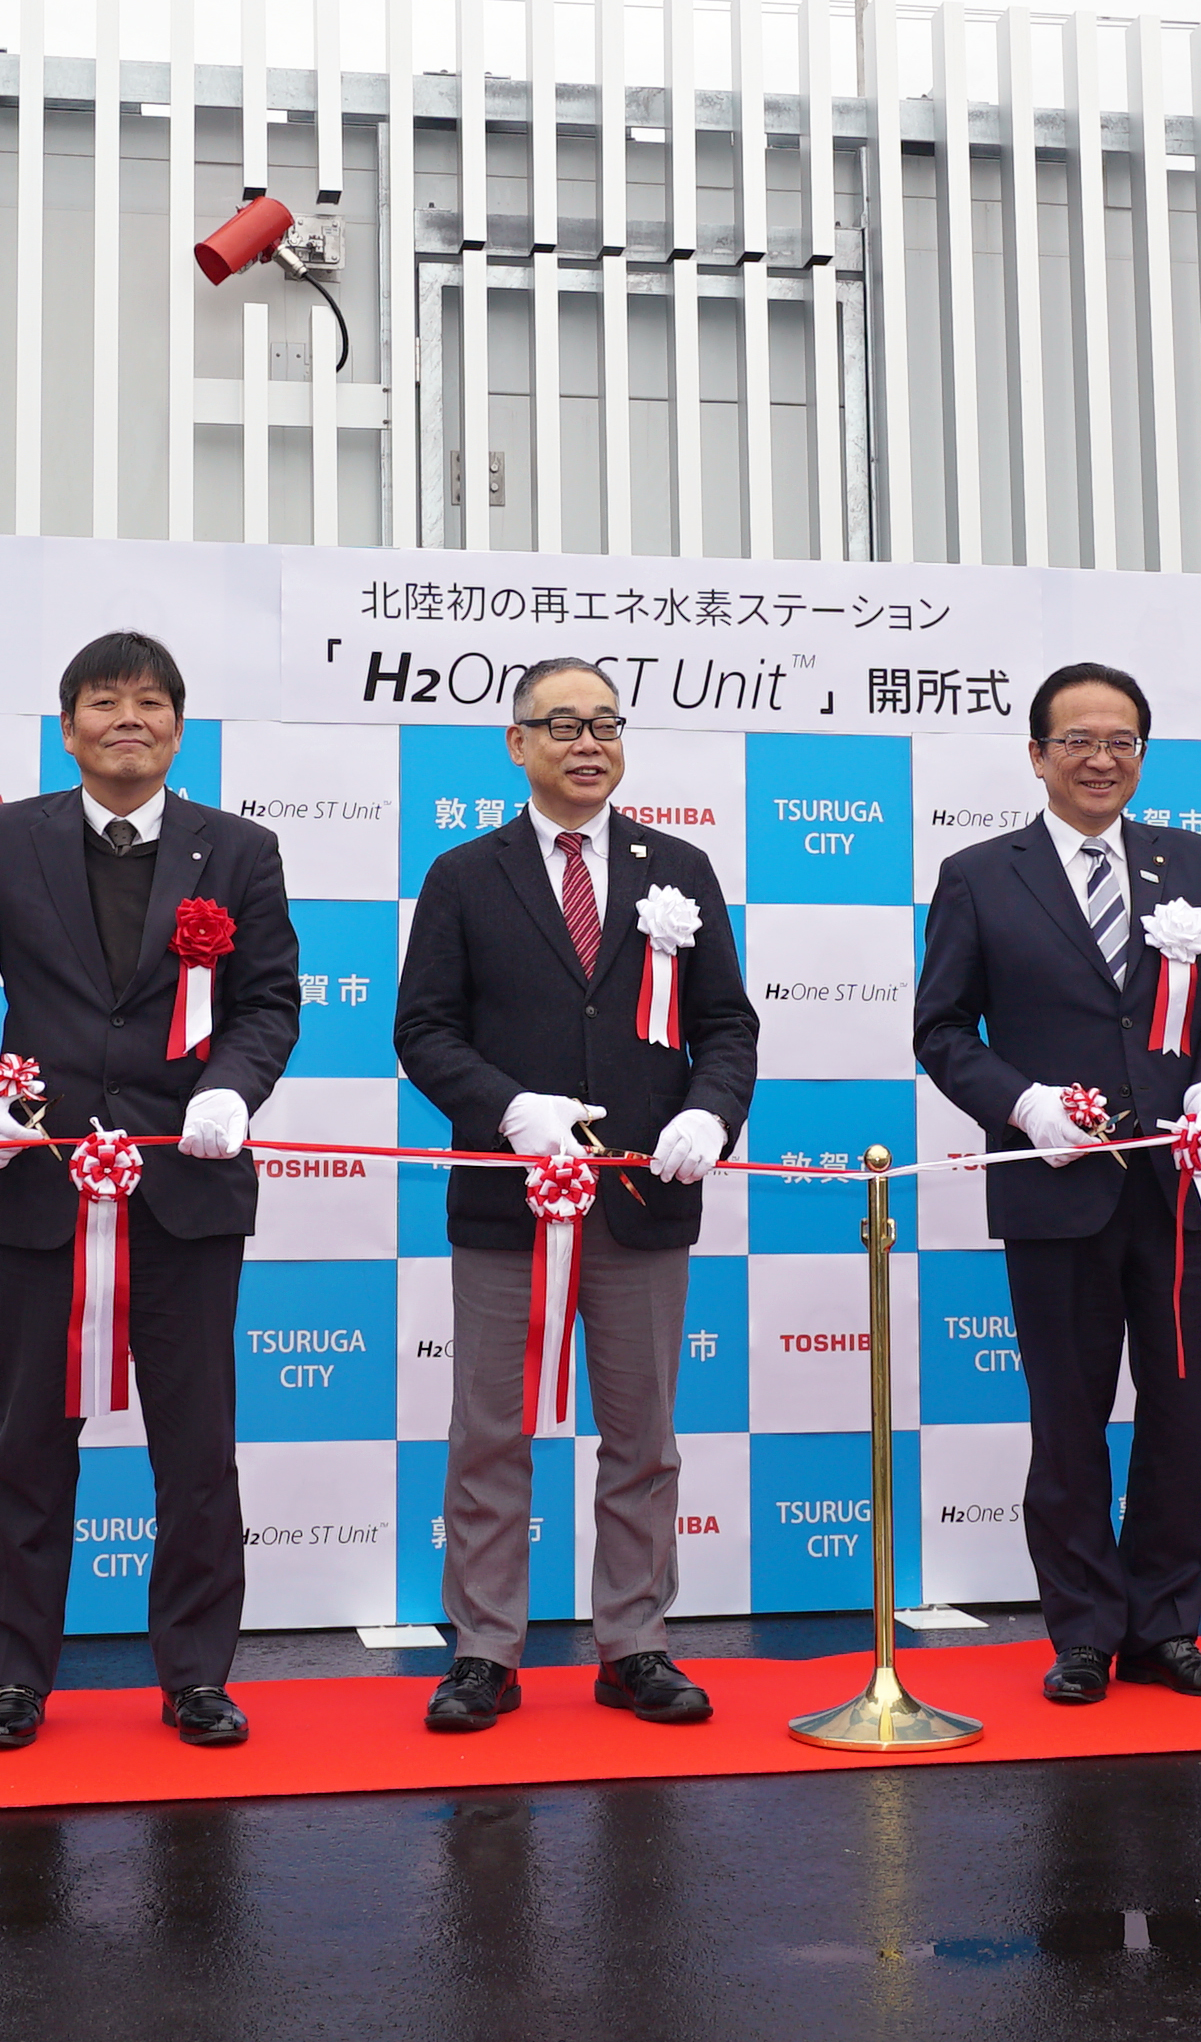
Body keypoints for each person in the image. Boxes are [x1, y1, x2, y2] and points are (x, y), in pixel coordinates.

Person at [0, 632, 301, 1752]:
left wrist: (231, 1088)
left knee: (196, 1444)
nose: (125, 717)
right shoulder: (2, 837)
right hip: (44, 1189)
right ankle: (16, 1678)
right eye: (102, 700)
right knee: (29, 1438)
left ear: (179, 726)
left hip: (189, 1186)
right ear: (68, 722)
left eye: (149, 702)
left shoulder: (238, 849)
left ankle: (194, 1674)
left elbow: (268, 1000)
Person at [391, 656, 756, 1733]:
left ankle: (633, 1642)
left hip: (644, 1200)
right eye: (562, 723)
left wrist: (707, 1114)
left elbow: (726, 1025)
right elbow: (422, 1029)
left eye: (604, 721)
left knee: (642, 1435)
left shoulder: (677, 867)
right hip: (511, 1203)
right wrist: (510, 1110)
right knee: (490, 1432)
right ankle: (487, 1650)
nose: (586, 741)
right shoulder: (466, 873)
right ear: (518, 743)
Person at [913, 661, 1201, 1707]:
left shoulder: (1195, 862)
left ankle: (1166, 1629)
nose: (1100, 757)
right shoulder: (982, 872)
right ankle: (1080, 1631)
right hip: (1053, 1189)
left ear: (1142, 755)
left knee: (1181, 1410)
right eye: (1076, 739)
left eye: (1120, 740)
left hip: (1180, 1188)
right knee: (1064, 1418)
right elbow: (940, 1030)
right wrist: (1024, 1106)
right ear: (1036, 755)